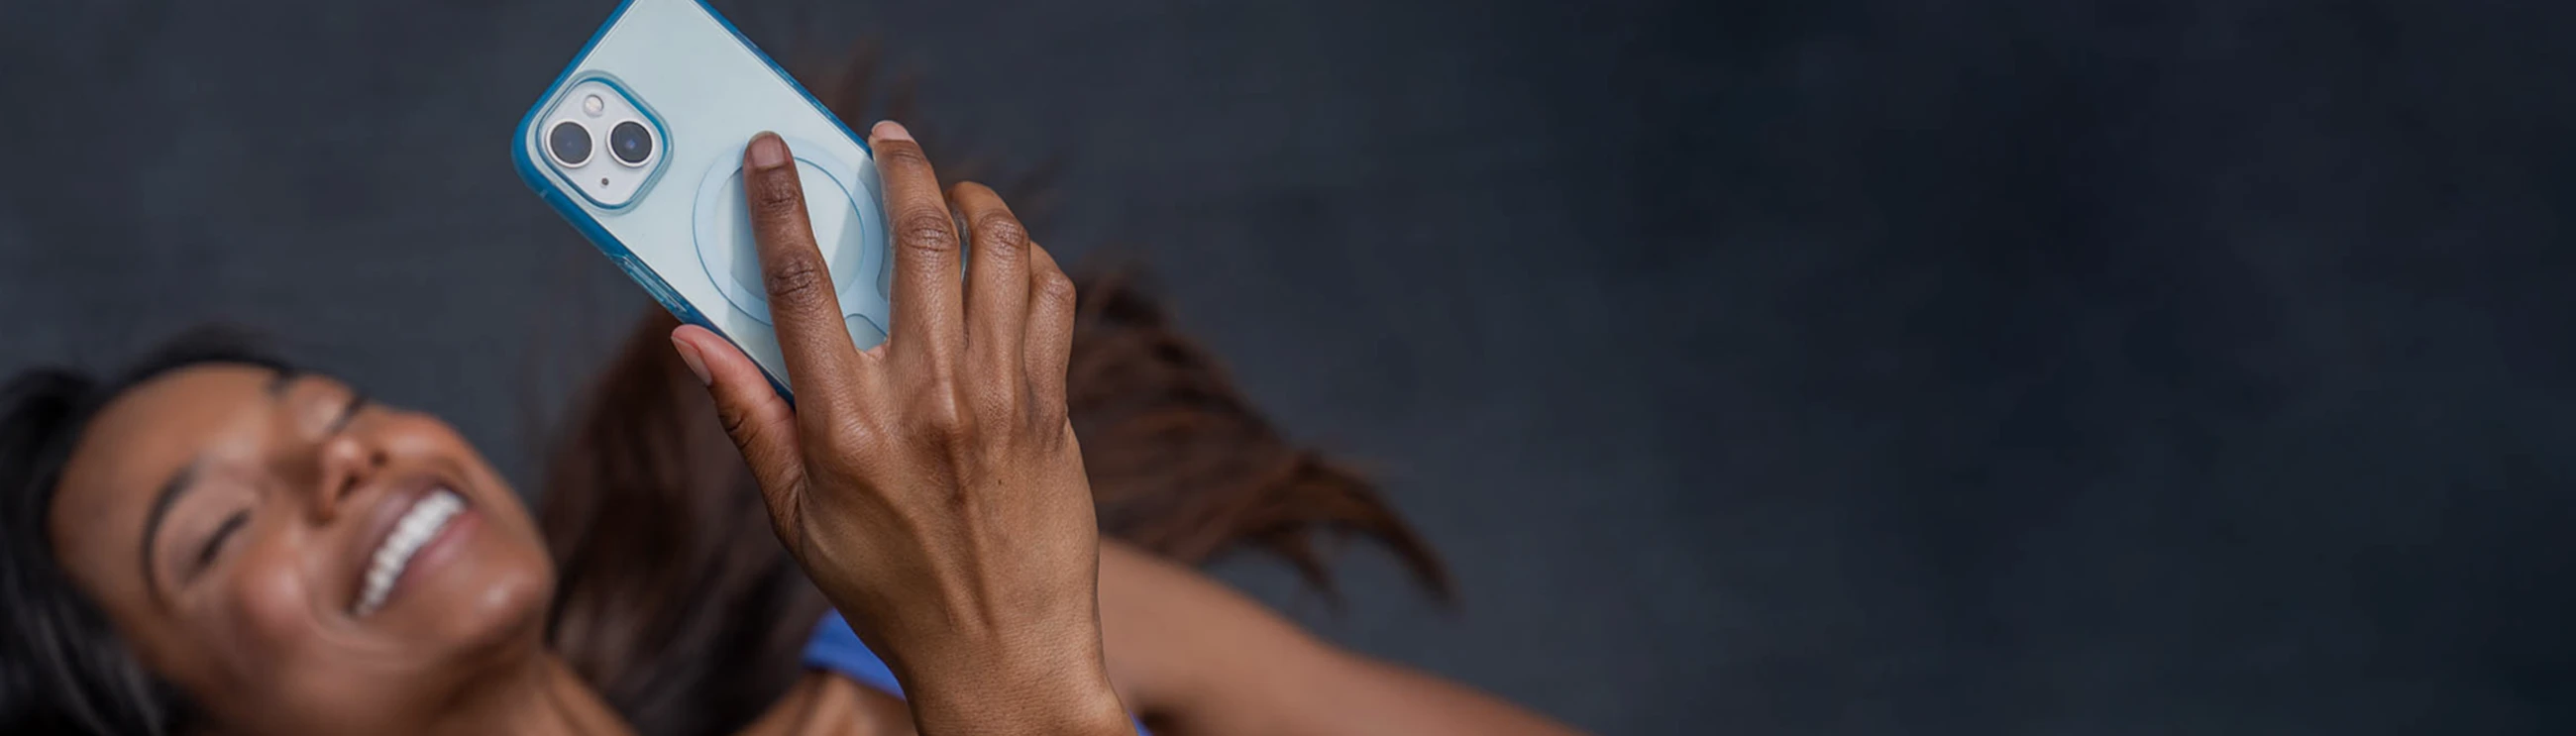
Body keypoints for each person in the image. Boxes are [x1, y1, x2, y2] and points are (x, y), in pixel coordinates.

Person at [0, 70, 1580, 736]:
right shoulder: (988, 634)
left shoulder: (907, 642)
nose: (344, 456)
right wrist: (1007, 676)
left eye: (328, 408)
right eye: (219, 529)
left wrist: (987, 649)